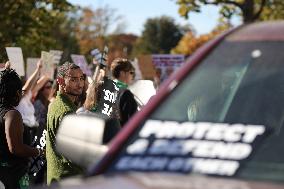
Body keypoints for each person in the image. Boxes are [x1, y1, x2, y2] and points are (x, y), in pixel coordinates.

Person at [0, 68, 43, 189]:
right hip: (12, 175)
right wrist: (39, 152)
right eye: (21, 92)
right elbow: (16, 148)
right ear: (17, 93)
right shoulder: (12, 114)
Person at [46, 62, 84, 185]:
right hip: (67, 179)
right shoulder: (66, 112)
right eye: (73, 80)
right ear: (61, 81)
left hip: (58, 177)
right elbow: (74, 154)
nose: (80, 84)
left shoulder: (56, 103)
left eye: (81, 79)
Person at [110, 58, 138, 126]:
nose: (132, 76)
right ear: (122, 73)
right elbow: (130, 121)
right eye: (131, 72)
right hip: (120, 132)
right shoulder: (126, 93)